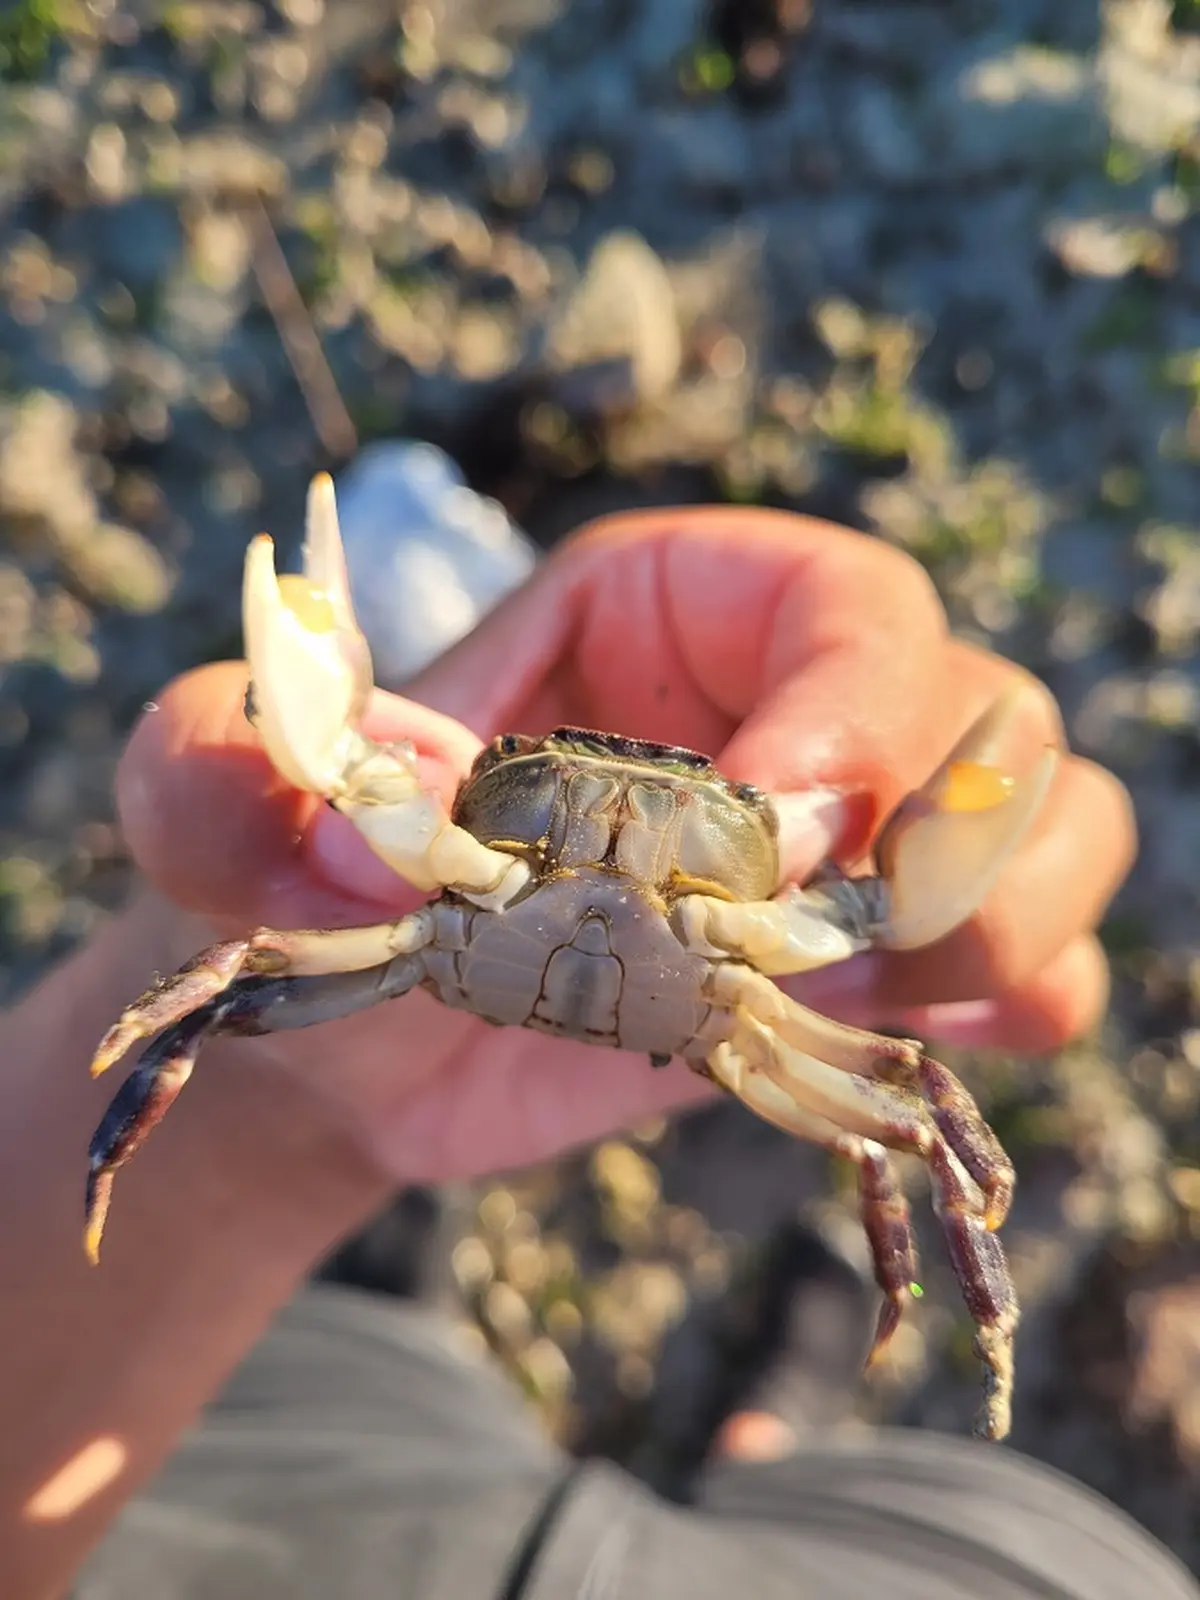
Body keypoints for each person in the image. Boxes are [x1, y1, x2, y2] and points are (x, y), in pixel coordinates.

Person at [0, 499, 1187, 1600]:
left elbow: (924, 1102)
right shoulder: (422, 894)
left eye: (697, 810)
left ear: (765, 842)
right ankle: (769, 1431)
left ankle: (891, 1374)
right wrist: (258, 1095)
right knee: (224, 994)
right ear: (491, 779)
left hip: (291, 1438)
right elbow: (254, 935)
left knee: (903, 1126)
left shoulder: (778, 996)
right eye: (549, 778)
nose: (620, 831)